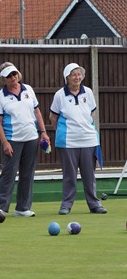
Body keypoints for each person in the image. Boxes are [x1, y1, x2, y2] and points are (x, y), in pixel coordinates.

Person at [0, 62, 50, 217]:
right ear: (3, 79)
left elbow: (37, 112)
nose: (13, 78)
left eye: (14, 74)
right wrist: (5, 142)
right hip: (12, 139)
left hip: (31, 137)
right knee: (9, 173)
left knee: (27, 174)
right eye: (9, 76)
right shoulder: (0, 97)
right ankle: (1, 207)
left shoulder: (28, 90)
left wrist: (43, 132)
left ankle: (23, 208)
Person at [49, 63, 107, 215]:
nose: (77, 77)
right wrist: (62, 132)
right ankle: (66, 205)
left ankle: (94, 204)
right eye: (73, 74)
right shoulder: (59, 95)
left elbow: (91, 114)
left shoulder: (87, 92)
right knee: (69, 176)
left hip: (89, 140)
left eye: (79, 74)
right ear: (67, 78)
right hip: (67, 142)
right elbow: (53, 117)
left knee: (89, 175)